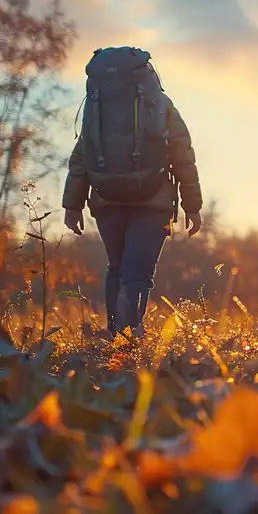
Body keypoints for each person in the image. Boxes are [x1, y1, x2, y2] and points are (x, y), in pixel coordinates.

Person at [62, 46, 203, 339]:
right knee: (137, 273)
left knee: (117, 267)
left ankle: (115, 334)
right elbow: (182, 154)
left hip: (106, 200)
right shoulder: (161, 104)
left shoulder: (96, 106)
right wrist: (192, 205)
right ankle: (127, 337)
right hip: (154, 203)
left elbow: (82, 155)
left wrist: (72, 205)